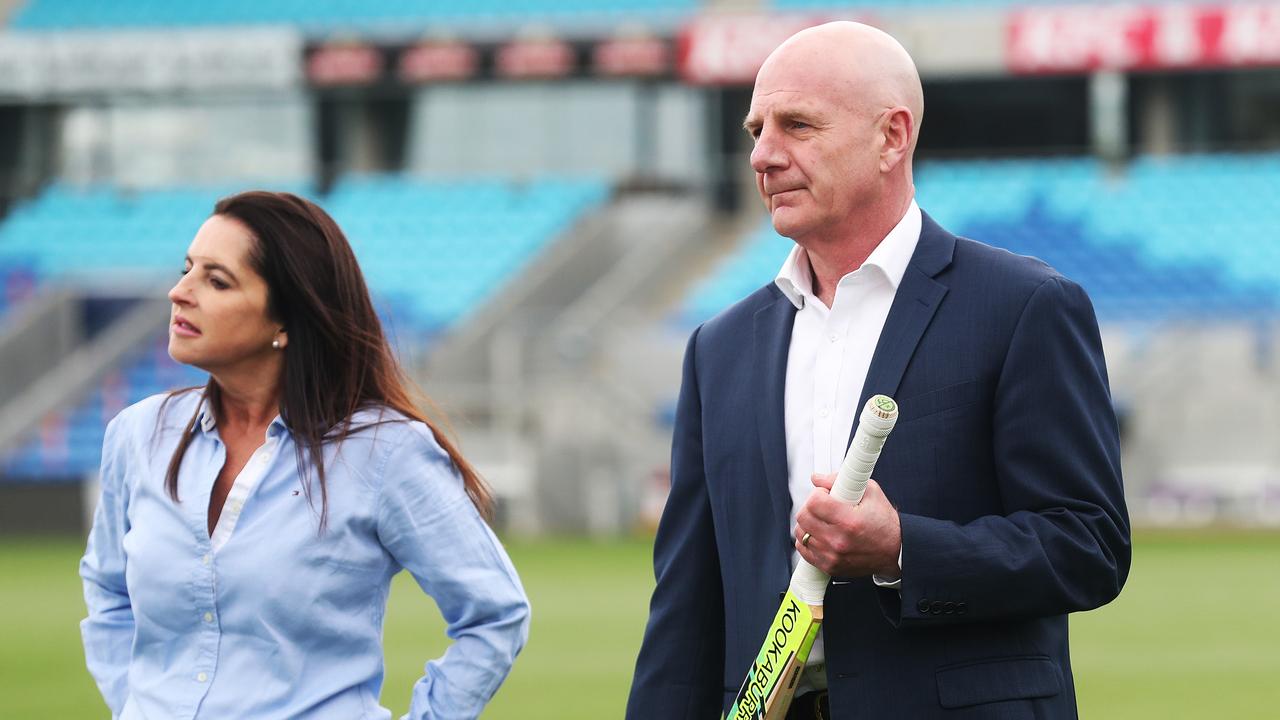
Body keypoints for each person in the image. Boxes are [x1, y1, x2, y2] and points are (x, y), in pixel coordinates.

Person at [627, 21, 1130, 720]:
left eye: (797, 125)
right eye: (755, 129)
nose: (763, 156)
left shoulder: (1023, 307)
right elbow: (685, 608)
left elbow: (1089, 545)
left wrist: (901, 549)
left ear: (892, 137)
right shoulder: (719, 347)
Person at [80, 191, 530, 719]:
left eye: (216, 280)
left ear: (286, 319)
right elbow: (109, 593)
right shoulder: (138, 434)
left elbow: (494, 615)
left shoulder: (385, 452)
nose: (180, 292)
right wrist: (136, 705)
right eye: (187, 269)